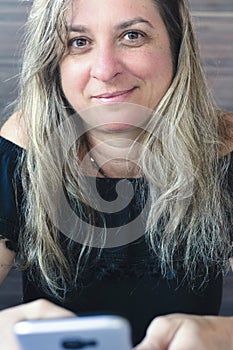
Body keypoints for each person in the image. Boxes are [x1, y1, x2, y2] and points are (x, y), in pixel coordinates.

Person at [0, 0, 233, 349]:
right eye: (78, 42)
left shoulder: (224, 144)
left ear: (176, 45)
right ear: (53, 62)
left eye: (132, 35)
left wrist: (222, 336)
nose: (106, 70)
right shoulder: (27, 141)